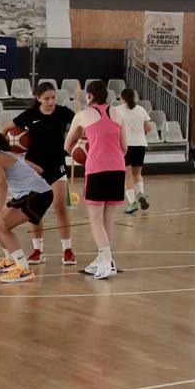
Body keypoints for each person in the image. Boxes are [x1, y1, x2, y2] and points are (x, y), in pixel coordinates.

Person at [0, 131, 58, 285]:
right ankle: (10, 260)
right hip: (33, 193)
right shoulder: (8, 154)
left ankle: (23, 269)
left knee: (1, 226)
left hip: (36, 194)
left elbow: (2, 185)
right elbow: (39, 170)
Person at [5, 82, 77, 265]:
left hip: (56, 164)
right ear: (38, 99)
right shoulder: (30, 115)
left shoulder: (63, 112)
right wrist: (8, 151)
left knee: (60, 206)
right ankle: (38, 250)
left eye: (53, 97)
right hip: (34, 166)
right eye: (46, 98)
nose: (51, 101)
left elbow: (80, 125)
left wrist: (73, 145)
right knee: (35, 210)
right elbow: (5, 129)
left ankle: (68, 250)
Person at [70, 81, 125, 279]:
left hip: (97, 169)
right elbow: (124, 147)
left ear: (88, 96)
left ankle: (107, 262)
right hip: (118, 168)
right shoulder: (118, 113)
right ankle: (101, 260)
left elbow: (68, 145)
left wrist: (81, 148)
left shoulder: (82, 115)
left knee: (95, 219)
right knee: (107, 219)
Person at [112, 87, 154, 215]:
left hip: (125, 145)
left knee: (128, 175)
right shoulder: (141, 109)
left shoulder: (117, 110)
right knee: (137, 173)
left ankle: (132, 203)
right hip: (140, 144)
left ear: (122, 98)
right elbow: (148, 128)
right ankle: (140, 193)